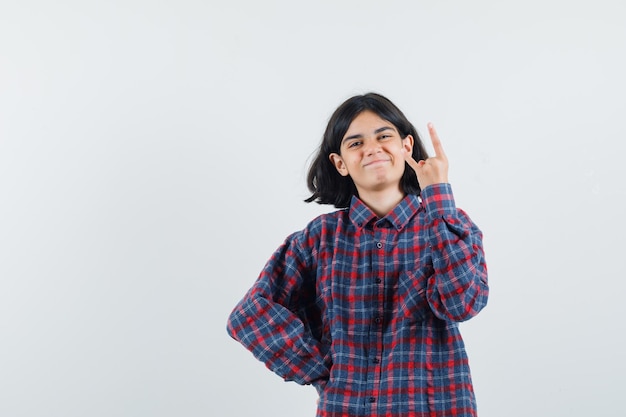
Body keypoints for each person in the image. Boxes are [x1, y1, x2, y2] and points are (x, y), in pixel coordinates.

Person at [226, 92, 489, 416]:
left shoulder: (450, 223)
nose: (372, 148)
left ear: (406, 146)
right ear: (340, 163)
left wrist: (437, 195)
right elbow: (250, 315)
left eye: (384, 136)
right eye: (355, 143)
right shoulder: (319, 238)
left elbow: (461, 303)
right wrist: (321, 369)